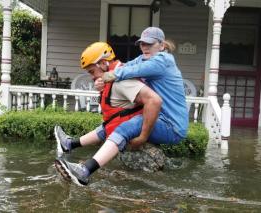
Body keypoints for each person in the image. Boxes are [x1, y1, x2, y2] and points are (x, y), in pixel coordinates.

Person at [55, 27, 189, 186]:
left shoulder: (163, 60)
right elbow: (124, 66)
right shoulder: (144, 58)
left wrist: (143, 137)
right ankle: (70, 144)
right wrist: (101, 79)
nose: (145, 47)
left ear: (161, 46)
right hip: (161, 118)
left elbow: (135, 73)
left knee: (129, 125)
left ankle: (85, 171)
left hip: (172, 126)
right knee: (118, 121)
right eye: (142, 44)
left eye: (150, 44)